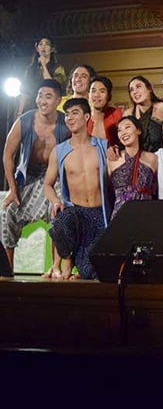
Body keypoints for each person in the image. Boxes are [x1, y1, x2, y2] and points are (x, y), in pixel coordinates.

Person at [1, 80, 69, 275]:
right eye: (40, 95)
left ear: (58, 100)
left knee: (59, 212)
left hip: (55, 177)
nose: (42, 101)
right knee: (8, 213)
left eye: (48, 97)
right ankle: (7, 268)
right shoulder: (25, 120)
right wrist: (13, 189)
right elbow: (8, 155)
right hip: (28, 177)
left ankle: (55, 267)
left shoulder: (65, 123)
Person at [44, 98, 111, 280]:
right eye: (67, 114)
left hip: (100, 215)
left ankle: (80, 262)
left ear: (87, 116)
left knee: (90, 272)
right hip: (76, 212)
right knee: (59, 222)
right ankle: (66, 260)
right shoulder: (59, 151)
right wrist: (56, 201)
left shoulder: (103, 146)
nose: (70, 118)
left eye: (75, 113)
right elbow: (47, 185)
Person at [108, 115, 158, 218]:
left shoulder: (153, 158)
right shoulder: (112, 160)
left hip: (146, 215)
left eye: (127, 127)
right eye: (119, 130)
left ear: (138, 130)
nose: (123, 133)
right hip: (120, 216)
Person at [19, 37, 66, 115]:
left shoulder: (58, 68)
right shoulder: (30, 69)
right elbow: (24, 92)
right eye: (41, 44)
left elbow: (54, 86)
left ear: (52, 49)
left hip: (49, 108)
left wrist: (44, 66)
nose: (43, 47)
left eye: (47, 44)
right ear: (37, 48)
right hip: (31, 107)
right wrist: (20, 112)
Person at [123, 75, 163, 152]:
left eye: (138, 86)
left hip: (161, 157)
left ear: (149, 88)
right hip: (138, 158)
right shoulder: (128, 114)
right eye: (131, 90)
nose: (135, 92)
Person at [88, 76, 123, 146]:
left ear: (109, 96)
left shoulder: (118, 115)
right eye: (93, 91)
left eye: (102, 91)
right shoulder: (82, 118)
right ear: (88, 95)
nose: (97, 95)